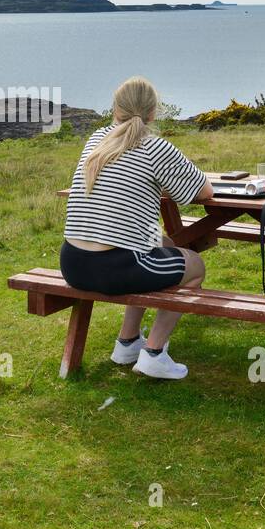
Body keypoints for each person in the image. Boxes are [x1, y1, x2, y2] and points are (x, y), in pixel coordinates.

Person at [61, 76, 214, 380]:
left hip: (73, 263)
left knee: (164, 244)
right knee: (195, 265)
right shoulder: (155, 148)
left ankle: (128, 342)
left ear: (114, 109)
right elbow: (205, 191)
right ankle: (154, 354)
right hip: (113, 267)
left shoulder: (97, 139)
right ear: (153, 113)